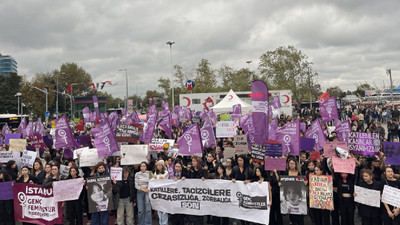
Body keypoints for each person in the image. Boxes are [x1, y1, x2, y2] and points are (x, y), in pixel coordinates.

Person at [153, 160, 169, 225]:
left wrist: (157, 177)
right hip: (158, 193)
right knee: (159, 210)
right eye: (157, 165)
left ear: (162, 166)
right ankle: (160, 223)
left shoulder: (166, 172)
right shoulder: (155, 173)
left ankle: (165, 223)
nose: (158, 166)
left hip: (164, 193)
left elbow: (163, 177)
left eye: (160, 165)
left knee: (164, 210)